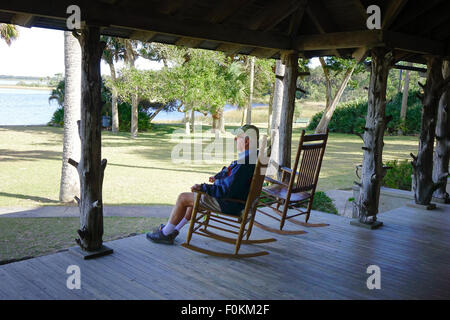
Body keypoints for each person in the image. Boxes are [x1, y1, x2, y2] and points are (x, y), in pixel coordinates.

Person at [146, 124, 259, 245]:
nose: (235, 139)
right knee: (193, 197)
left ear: (247, 141)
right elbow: (233, 177)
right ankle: (174, 230)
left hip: (229, 203)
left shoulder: (245, 163)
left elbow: (226, 190)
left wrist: (203, 187)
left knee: (183, 198)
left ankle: (165, 234)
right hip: (235, 200)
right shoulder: (252, 157)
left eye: (238, 137)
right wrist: (218, 177)